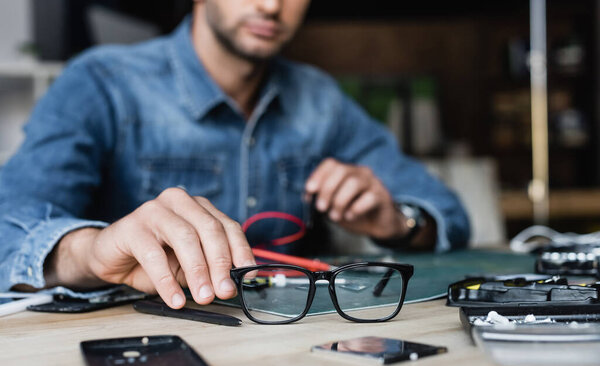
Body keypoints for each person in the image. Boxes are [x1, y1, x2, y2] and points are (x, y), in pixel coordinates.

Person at [0, 0, 469, 309]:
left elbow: (448, 214)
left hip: (287, 348)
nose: (270, 6)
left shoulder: (320, 99)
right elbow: (8, 226)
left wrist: (396, 222)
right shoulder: (102, 83)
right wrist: (93, 252)